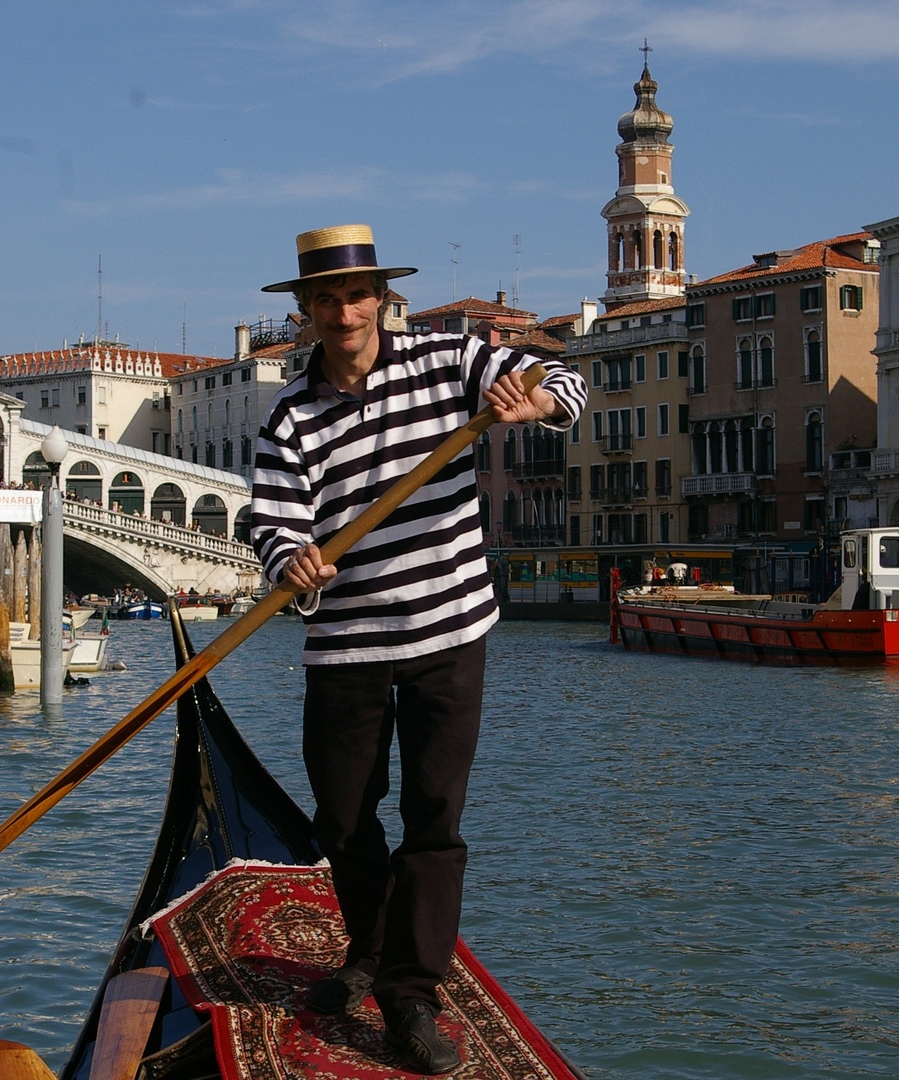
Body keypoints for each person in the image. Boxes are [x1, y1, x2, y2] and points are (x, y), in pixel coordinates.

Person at [250, 224, 586, 1074]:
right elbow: (271, 515)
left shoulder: (449, 360)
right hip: (347, 641)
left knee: (434, 818)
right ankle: (366, 948)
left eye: (356, 295)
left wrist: (533, 403)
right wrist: (292, 555)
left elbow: (568, 383)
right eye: (325, 298)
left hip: (447, 629)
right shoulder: (292, 414)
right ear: (306, 312)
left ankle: (409, 992)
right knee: (345, 817)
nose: (343, 310)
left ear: (381, 302)